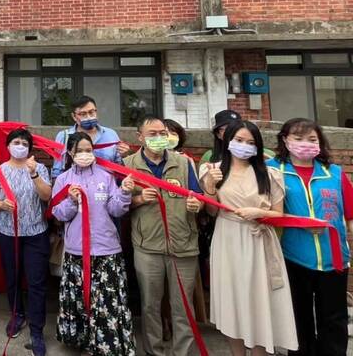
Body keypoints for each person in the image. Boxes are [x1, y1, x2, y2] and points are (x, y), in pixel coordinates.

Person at [201, 120, 297, 355]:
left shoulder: (269, 173)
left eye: (251, 142)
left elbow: (278, 214)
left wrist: (259, 213)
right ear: (227, 140)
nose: (244, 146)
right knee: (232, 301)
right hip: (228, 239)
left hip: (259, 240)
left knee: (260, 302)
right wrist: (211, 187)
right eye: (239, 140)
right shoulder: (211, 169)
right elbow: (212, 212)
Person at [267, 118, 352, 356]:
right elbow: (266, 213)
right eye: (298, 138)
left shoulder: (333, 173)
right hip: (293, 257)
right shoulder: (273, 171)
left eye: (312, 139)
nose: (306, 144)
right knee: (298, 317)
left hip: (333, 258)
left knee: (334, 319)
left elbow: (350, 214)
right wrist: (300, 224)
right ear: (285, 140)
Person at [124, 115, 203, 356]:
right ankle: (154, 351)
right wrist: (137, 200)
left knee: (183, 308)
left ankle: (183, 352)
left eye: (162, 133)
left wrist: (195, 205)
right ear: (140, 137)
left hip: (184, 245)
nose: (159, 138)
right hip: (147, 246)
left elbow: (198, 197)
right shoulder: (127, 164)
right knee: (150, 306)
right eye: (152, 134)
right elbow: (118, 205)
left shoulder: (184, 162)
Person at [52, 132, 136, 355]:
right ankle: (82, 342)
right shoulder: (63, 180)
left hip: (106, 249)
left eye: (88, 150)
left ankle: (104, 345)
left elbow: (116, 209)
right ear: (70, 152)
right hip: (76, 250)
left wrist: (125, 193)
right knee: (80, 302)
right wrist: (70, 200)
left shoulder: (106, 176)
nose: (84, 154)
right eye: (79, 150)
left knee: (105, 304)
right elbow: (58, 214)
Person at [0, 128, 52, 356]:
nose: (20, 146)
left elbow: (46, 196)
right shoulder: (0, 171)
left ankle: (37, 329)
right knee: (12, 277)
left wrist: (34, 175)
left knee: (36, 282)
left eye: (24, 142)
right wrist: (1, 205)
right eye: (16, 142)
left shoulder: (39, 168)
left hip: (35, 233)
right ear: (8, 146)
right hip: (7, 232)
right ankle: (17, 314)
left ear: (30, 147)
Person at [51, 95, 130, 179]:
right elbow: (57, 171)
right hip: (74, 188)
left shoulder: (110, 134)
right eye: (83, 114)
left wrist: (125, 156)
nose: (88, 117)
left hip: (106, 188)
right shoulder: (64, 136)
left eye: (91, 112)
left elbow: (120, 169)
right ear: (74, 116)